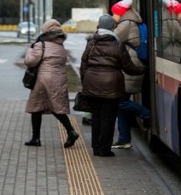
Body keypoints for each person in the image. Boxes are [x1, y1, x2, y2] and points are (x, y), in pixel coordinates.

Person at [79, 14, 145, 157]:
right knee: (108, 118)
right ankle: (104, 149)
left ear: (98, 26)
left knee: (96, 117)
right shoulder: (118, 45)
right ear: (112, 27)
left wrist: (86, 82)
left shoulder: (91, 44)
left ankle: (96, 148)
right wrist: (143, 69)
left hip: (92, 86)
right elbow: (128, 68)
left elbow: (83, 66)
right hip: (112, 87)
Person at [24, 19, 79, 148]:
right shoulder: (60, 45)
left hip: (43, 80)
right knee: (56, 107)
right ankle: (70, 130)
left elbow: (31, 62)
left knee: (36, 107)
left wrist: (29, 51)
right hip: (59, 79)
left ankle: (36, 138)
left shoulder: (41, 44)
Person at [110, 0, 150, 149]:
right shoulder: (129, 21)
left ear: (120, 12)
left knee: (120, 101)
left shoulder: (126, 24)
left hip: (130, 65)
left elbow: (110, 38)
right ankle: (124, 139)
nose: (113, 15)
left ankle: (145, 113)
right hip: (130, 64)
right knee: (121, 103)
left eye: (114, 13)